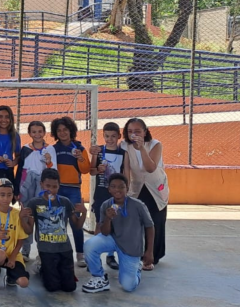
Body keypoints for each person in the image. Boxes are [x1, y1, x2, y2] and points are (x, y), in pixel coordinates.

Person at [82, 173, 155, 294]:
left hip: (130, 246)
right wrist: (108, 218)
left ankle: (136, 269)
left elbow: (150, 226)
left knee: (128, 286)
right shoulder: (106, 205)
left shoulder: (138, 205)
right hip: (112, 240)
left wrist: (149, 251)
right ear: (109, 189)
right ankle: (99, 277)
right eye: (114, 186)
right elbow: (105, 233)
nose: (117, 190)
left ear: (127, 188)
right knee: (90, 245)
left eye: (121, 187)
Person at [20, 168, 87, 293]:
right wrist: (22, 218)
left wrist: (84, 213)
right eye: (47, 186)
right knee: (52, 287)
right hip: (46, 250)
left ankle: (52, 269)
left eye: (55, 186)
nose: (51, 189)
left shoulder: (65, 202)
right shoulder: (34, 203)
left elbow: (77, 225)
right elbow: (28, 230)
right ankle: (41, 267)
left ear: (59, 186)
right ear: (41, 184)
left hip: (65, 249)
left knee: (69, 287)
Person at [121, 118, 169, 269]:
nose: (133, 134)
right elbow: (126, 169)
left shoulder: (155, 145)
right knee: (136, 222)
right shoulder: (124, 146)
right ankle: (138, 254)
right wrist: (124, 190)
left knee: (156, 220)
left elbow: (150, 168)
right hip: (137, 187)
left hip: (155, 187)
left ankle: (153, 256)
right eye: (130, 131)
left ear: (145, 131)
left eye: (137, 131)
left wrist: (142, 148)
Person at [51, 116, 91, 267]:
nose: (62, 133)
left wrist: (81, 158)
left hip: (74, 189)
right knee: (58, 222)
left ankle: (80, 254)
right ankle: (57, 252)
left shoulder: (79, 149)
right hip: (58, 189)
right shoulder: (53, 149)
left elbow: (86, 170)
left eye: (65, 130)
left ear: (71, 131)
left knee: (75, 222)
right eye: (59, 130)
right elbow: (49, 168)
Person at [15, 121, 57, 259]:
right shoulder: (26, 149)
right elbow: (20, 169)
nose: (37, 134)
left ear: (44, 132)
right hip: (26, 184)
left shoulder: (50, 149)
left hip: (42, 184)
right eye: (34, 132)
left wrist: (49, 161)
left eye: (40, 131)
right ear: (29, 133)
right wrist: (17, 190)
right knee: (26, 216)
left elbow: (53, 169)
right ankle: (25, 250)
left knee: (42, 216)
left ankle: (42, 250)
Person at [89, 122, 126, 270]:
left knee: (115, 224)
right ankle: (94, 256)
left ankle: (111, 256)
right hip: (101, 192)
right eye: (107, 136)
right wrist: (98, 169)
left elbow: (125, 173)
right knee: (99, 223)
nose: (109, 139)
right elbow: (91, 171)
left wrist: (124, 192)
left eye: (113, 136)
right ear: (103, 136)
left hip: (116, 194)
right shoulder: (98, 151)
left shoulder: (123, 153)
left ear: (119, 136)